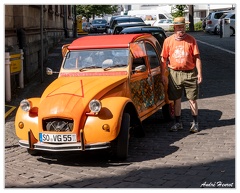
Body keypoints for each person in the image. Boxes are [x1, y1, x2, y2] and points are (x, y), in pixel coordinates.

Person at [160, 17, 202, 133]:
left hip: (190, 73)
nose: (181, 29)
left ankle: (195, 123)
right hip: (174, 74)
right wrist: (164, 74)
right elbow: (163, 59)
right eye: (179, 27)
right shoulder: (168, 41)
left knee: (192, 99)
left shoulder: (191, 40)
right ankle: (177, 123)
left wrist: (199, 73)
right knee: (176, 100)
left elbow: (197, 58)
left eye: (183, 27)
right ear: (174, 28)